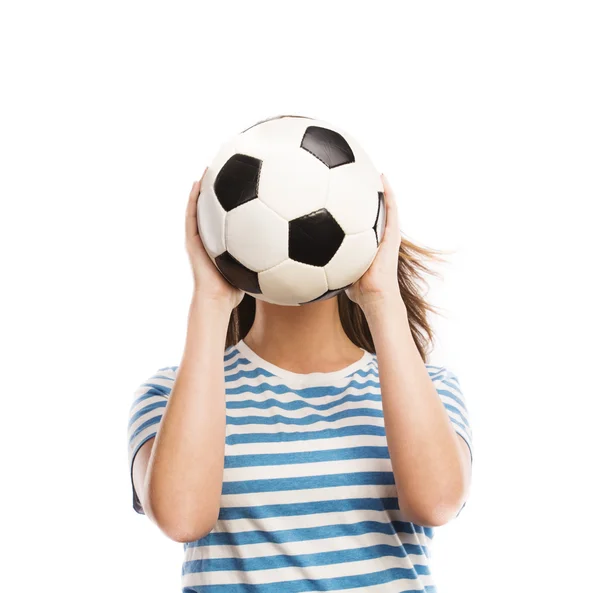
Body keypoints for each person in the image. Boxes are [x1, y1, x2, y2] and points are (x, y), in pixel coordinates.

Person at [126, 170, 473, 593]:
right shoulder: (169, 394)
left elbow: (436, 503)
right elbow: (181, 517)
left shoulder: (429, 388)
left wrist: (382, 300)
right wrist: (211, 303)